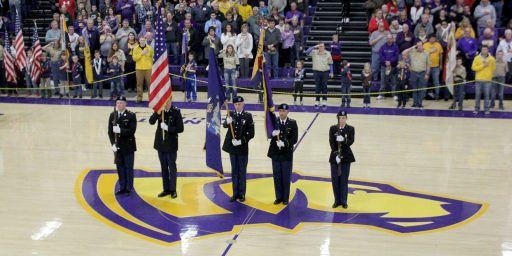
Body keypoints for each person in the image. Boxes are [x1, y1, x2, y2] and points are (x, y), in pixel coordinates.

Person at [149, 98, 184, 198]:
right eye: (164, 101)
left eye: (167, 101)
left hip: (171, 144)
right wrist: (157, 113)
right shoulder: (160, 111)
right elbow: (151, 121)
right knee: (163, 167)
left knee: (172, 168)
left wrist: (168, 128)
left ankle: (173, 190)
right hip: (160, 144)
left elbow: (180, 128)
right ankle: (166, 189)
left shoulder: (176, 112)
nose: (165, 103)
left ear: (171, 101)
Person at [222, 96, 255, 202]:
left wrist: (241, 141)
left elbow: (251, 133)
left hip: (242, 148)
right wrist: (227, 122)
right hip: (232, 148)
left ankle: (242, 194)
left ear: (243, 104)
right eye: (236, 104)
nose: (237, 106)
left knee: (242, 171)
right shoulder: (230, 114)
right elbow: (224, 125)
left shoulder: (248, 116)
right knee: (234, 171)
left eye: (239, 104)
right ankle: (235, 193)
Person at [268, 103, 298, 205]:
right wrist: (272, 134)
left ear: (288, 112)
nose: (282, 113)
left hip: (286, 154)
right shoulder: (274, 122)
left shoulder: (292, 123)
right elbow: (268, 133)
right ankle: (278, 197)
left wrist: (284, 143)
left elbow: (294, 139)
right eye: (280, 111)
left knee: (286, 177)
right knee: (277, 176)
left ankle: (285, 198)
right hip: (275, 153)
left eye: (284, 111)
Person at [108, 96, 137, 196]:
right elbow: (110, 132)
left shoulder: (131, 116)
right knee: (120, 168)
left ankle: (129, 188)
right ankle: (122, 187)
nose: (119, 105)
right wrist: (113, 144)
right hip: (118, 148)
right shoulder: (113, 115)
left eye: (121, 103)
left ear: (125, 104)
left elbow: (132, 131)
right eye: (118, 103)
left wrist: (121, 131)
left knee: (128, 168)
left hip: (128, 147)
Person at [329, 110, 355, 209]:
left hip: (346, 157)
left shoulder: (350, 129)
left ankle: (344, 201)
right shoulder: (333, 128)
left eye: (343, 118)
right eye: (340, 118)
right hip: (335, 158)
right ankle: (336, 201)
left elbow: (351, 141)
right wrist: (336, 154)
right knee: (335, 180)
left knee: (344, 180)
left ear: (346, 118)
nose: (341, 120)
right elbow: (331, 142)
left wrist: (343, 140)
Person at [306, 42, 333, 108]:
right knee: (317, 86)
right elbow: (307, 52)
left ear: (324, 47)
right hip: (316, 72)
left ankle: (324, 100)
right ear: (318, 46)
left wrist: (331, 72)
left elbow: (331, 63)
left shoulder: (328, 53)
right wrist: (314, 46)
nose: (321, 47)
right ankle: (317, 100)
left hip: (325, 72)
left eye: (322, 46)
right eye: (320, 46)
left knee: (324, 86)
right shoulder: (314, 52)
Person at [471, 45, 496, 115]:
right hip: (479, 80)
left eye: (486, 49)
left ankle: (486, 109)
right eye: (483, 49)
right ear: (481, 50)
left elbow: (493, 68)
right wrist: (483, 66)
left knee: (487, 96)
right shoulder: (476, 58)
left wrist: (489, 74)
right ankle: (476, 109)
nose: (484, 51)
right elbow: (473, 68)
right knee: (477, 96)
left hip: (487, 81)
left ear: (488, 50)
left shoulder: (492, 59)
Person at [132, 36, 154, 103]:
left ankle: (151, 99)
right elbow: (134, 58)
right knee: (139, 84)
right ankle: (139, 98)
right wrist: (141, 54)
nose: (142, 41)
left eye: (143, 40)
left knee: (150, 84)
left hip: (148, 68)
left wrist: (147, 55)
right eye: (141, 40)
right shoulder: (135, 48)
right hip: (139, 68)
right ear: (139, 41)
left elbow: (153, 57)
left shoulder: (150, 48)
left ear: (145, 40)